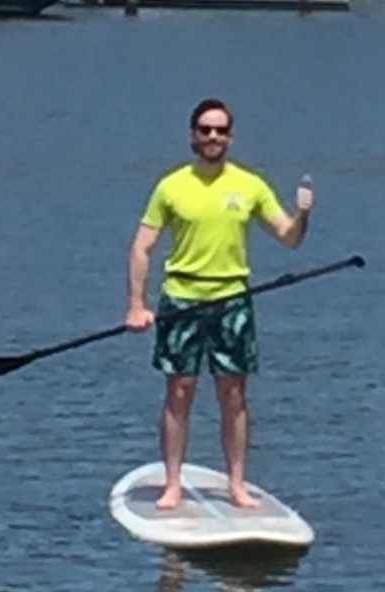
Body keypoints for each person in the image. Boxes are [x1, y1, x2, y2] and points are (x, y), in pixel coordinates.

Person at [125, 98, 312, 512]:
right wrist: (136, 305)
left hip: (232, 298)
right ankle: (172, 483)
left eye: (220, 130)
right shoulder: (171, 185)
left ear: (230, 136)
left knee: (233, 395)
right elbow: (142, 246)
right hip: (182, 298)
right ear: (193, 135)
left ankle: (238, 484)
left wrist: (302, 214)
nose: (213, 137)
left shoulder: (250, 185)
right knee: (179, 391)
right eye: (205, 130)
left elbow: (289, 238)